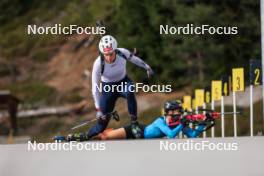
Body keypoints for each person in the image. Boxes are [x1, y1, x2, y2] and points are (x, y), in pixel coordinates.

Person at [88, 35, 154, 139]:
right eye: (106, 55)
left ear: (115, 50)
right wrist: (98, 109)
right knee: (101, 125)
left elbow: (134, 59)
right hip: (108, 88)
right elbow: (95, 88)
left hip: (123, 82)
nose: (109, 57)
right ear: (102, 53)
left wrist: (147, 67)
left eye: (111, 54)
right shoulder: (98, 64)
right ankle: (85, 136)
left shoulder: (122, 52)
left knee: (129, 91)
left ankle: (134, 123)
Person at [97, 100, 214, 140]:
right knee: (105, 138)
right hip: (136, 130)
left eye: (179, 111)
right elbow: (171, 135)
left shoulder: (178, 124)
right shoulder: (160, 121)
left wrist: (203, 123)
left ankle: (107, 132)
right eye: (175, 111)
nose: (178, 114)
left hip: (140, 136)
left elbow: (192, 135)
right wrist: (182, 124)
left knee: (110, 138)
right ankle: (90, 135)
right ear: (169, 112)